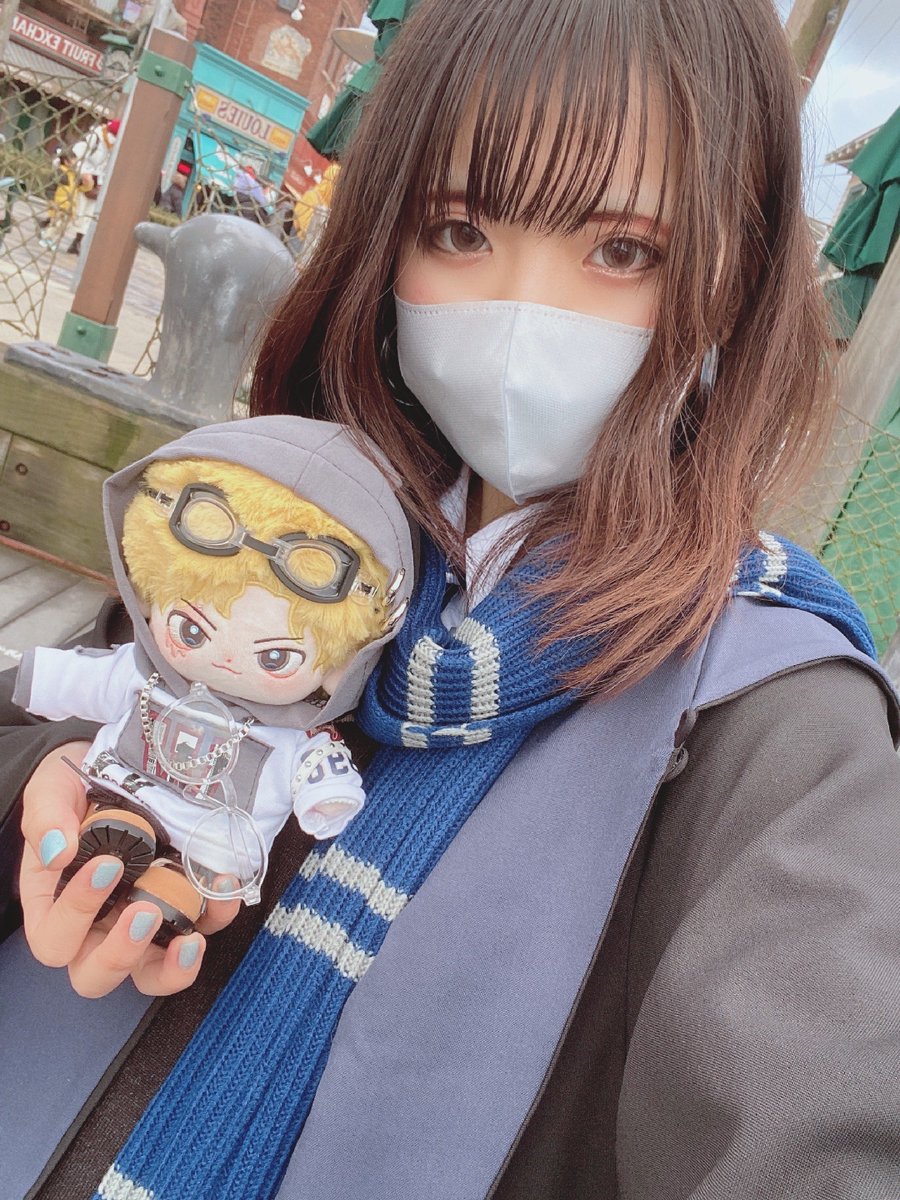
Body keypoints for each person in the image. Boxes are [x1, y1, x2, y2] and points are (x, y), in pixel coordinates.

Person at [1, 1, 899, 1198]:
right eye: (460, 230)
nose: (526, 318)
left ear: (730, 280)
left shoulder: (780, 724)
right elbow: (61, 701)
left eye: (624, 250)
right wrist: (52, 784)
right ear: (386, 243)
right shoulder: (285, 510)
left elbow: (824, 1108)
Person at [12, 416, 411, 946]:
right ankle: (112, 842)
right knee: (111, 830)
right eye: (192, 630)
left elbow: (319, 774)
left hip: (212, 847)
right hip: (120, 793)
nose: (224, 661)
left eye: (275, 657)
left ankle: (171, 891)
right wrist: (38, 692)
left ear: (342, 668)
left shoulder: (297, 738)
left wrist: (328, 800)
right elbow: (77, 680)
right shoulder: (142, 674)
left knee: (192, 878)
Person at [66, 118, 120, 255]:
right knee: (73, 208)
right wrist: (83, 173)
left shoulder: (115, 147)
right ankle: (50, 228)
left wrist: (103, 183)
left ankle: (77, 241)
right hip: (81, 178)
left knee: (89, 213)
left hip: (97, 181)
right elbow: (74, 156)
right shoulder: (94, 138)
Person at [37, 148, 92, 251]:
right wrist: (51, 201)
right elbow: (51, 188)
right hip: (59, 204)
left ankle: (48, 234)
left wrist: (88, 183)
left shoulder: (74, 175)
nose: (76, 163)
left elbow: (81, 189)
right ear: (66, 162)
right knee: (57, 223)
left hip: (69, 207)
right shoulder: (60, 172)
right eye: (74, 160)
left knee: (65, 226)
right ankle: (46, 238)